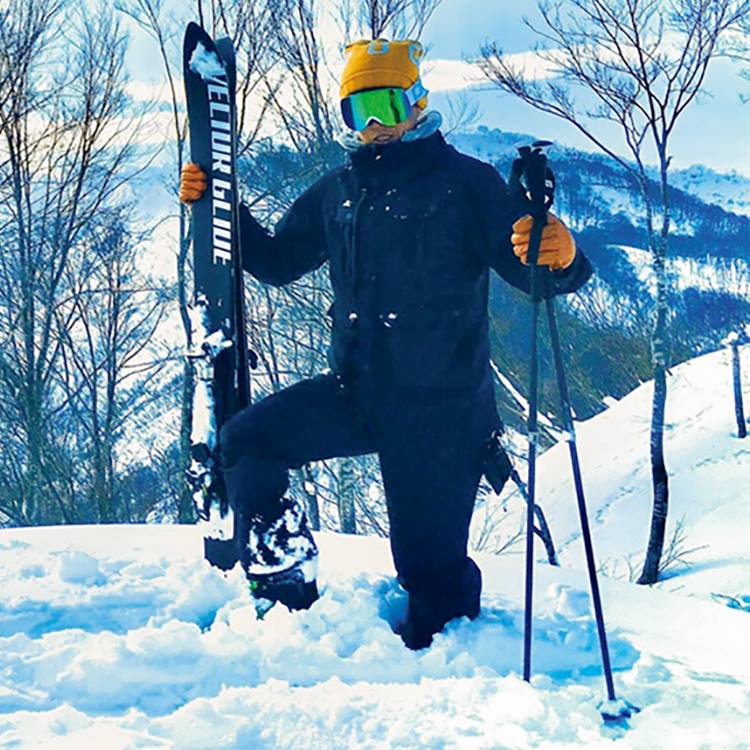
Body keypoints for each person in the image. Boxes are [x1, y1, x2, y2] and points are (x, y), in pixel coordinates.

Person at [179, 38, 592, 649]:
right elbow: (277, 261)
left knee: (431, 578)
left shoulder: (465, 185)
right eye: (358, 109)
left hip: (441, 413)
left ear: (417, 103)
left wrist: (563, 257)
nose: (374, 125)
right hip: (357, 392)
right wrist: (220, 208)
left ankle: (446, 677)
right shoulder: (340, 190)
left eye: (387, 105)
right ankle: (287, 583)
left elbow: (532, 271)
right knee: (246, 443)